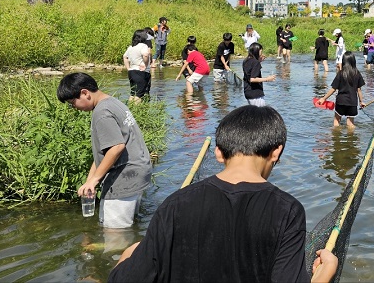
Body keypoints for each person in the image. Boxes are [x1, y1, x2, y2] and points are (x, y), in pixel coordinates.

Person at [108, 105, 338, 283]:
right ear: (276, 152)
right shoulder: (288, 210)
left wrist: (130, 253)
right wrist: (324, 273)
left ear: (218, 153)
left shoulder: (176, 203)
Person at [57, 73, 152, 229]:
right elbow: (105, 151)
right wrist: (90, 181)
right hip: (138, 172)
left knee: (114, 233)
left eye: (72, 102)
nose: (73, 107)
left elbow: (116, 147)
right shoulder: (113, 102)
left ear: (85, 93)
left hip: (125, 178)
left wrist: (94, 181)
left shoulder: (102, 113)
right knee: (130, 228)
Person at [318, 51, 366, 128]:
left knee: (336, 122)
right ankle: (351, 139)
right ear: (353, 61)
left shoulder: (341, 73)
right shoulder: (357, 73)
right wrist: (361, 102)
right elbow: (359, 90)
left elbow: (333, 89)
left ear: (343, 61)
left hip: (341, 101)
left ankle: (336, 137)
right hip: (352, 102)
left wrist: (323, 98)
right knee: (350, 124)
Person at [242, 42, 276, 107]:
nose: (261, 53)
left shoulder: (246, 60)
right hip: (255, 93)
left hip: (248, 91)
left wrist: (259, 61)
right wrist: (267, 79)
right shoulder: (255, 62)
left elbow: (250, 72)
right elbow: (252, 79)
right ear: (256, 51)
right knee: (261, 115)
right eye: (261, 51)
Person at [123, 29, 152, 102]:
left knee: (133, 93)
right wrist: (145, 65)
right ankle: (136, 111)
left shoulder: (131, 47)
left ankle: (130, 109)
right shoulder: (143, 46)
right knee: (139, 94)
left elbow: (125, 57)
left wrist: (128, 68)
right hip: (141, 72)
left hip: (131, 72)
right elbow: (145, 55)